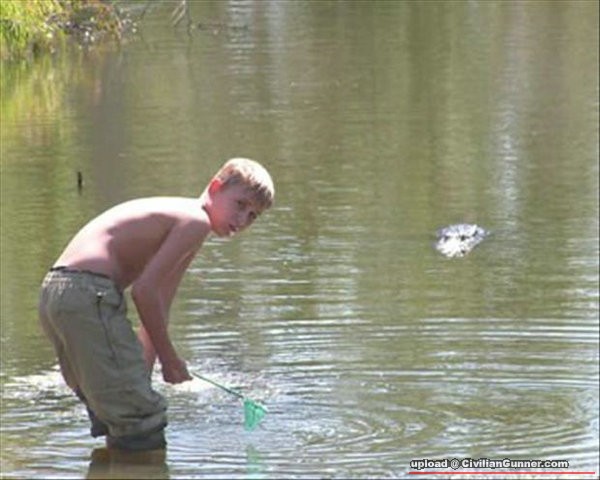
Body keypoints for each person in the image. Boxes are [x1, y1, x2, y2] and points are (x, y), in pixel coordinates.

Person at [38, 157, 274, 460]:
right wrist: (169, 359)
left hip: (57, 294)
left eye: (253, 216)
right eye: (240, 204)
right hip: (87, 294)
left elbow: (160, 303)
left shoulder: (187, 223)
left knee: (120, 412)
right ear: (216, 187)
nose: (242, 220)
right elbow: (144, 292)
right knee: (142, 423)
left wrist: (143, 374)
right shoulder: (196, 220)